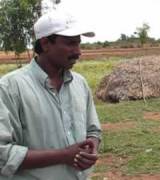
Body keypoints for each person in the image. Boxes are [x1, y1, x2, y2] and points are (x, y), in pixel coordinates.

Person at [0, 10, 101, 179]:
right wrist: (63, 155)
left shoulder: (80, 84)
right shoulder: (10, 87)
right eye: (70, 43)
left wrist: (92, 147)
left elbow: (93, 130)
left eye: (79, 43)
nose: (78, 52)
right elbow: (2, 152)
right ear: (46, 43)